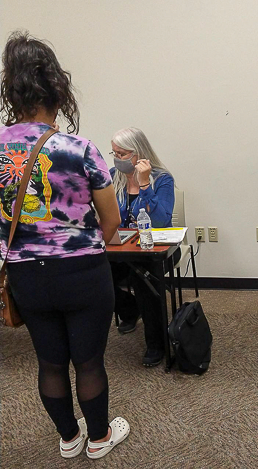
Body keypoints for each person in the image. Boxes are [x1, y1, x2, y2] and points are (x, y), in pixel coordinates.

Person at [0, 31, 130, 459]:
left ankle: (69, 438)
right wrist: (88, 246)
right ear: (58, 90)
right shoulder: (79, 149)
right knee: (89, 361)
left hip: (25, 276)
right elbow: (111, 220)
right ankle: (98, 438)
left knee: (50, 361)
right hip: (82, 272)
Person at [110, 127, 180, 366]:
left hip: (158, 249)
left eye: (122, 154)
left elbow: (160, 220)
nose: (117, 159)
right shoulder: (112, 177)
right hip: (121, 249)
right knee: (95, 272)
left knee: (142, 279)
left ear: (138, 153)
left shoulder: (162, 179)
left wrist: (143, 185)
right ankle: (129, 309)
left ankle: (156, 343)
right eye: (114, 153)